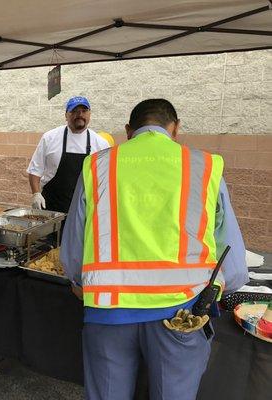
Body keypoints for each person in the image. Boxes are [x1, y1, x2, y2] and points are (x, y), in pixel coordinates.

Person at [60, 98, 248, 400]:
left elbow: (72, 249)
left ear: (128, 130)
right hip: (182, 314)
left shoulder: (98, 165)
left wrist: (77, 281)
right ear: (175, 129)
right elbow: (234, 265)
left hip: (108, 313)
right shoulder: (205, 165)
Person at [27, 96, 114, 213]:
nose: (80, 115)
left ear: (89, 114)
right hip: (51, 206)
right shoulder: (50, 138)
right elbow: (35, 170)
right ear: (66, 115)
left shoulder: (101, 143)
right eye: (74, 111)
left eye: (84, 111)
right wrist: (36, 194)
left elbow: (106, 179)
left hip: (84, 209)